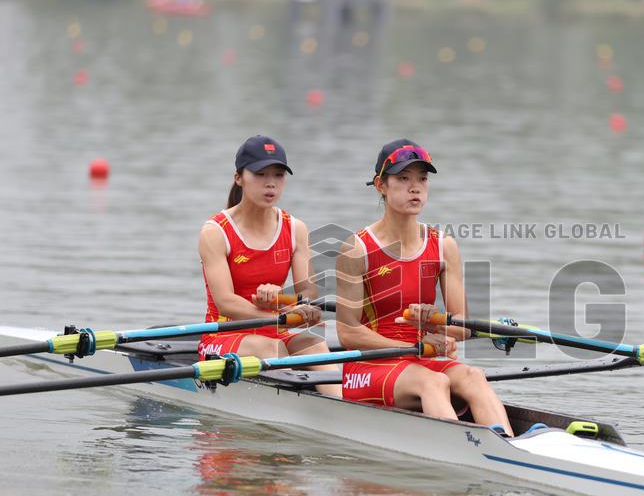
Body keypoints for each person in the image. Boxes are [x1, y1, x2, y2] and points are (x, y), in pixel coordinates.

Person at [334, 139, 514, 434]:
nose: (415, 188)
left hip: (419, 359)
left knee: (473, 375)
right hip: (368, 366)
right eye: (404, 179)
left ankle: (508, 445)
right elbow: (348, 333)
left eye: (422, 179)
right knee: (434, 381)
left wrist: (433, 324)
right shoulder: (357, 249)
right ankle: (461, 448)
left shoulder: (444, 246)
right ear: (381, 185)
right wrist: (413, 347)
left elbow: (462, 327)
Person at [198, 135, 341, 397]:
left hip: (276, 329)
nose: (271, 183)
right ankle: (290, 410)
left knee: (316, 345)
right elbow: (225, 302)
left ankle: (342, 410)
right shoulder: (215, 232)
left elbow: (308, 293)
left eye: (278, 175)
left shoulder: (295, 229)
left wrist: (288, 302)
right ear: (239, 178)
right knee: (273, 349)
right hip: (223, 335)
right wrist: (280, 313)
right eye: (260, 174)